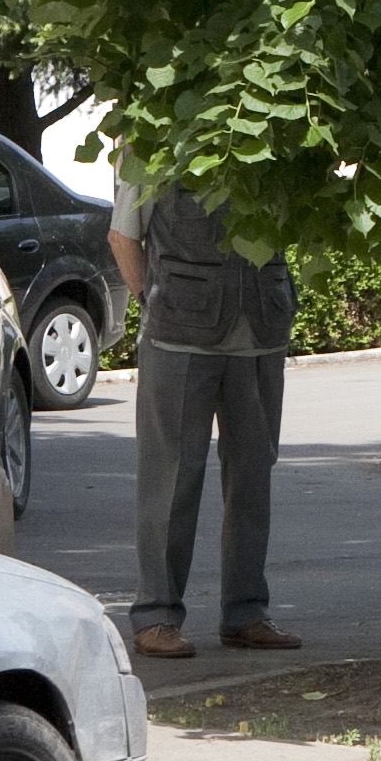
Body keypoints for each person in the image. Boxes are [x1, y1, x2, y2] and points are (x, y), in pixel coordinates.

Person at [113, 172, 303, 659]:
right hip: (177, 337)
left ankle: (247, 613)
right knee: (170, 479)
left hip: (261, 331)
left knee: (253, 478)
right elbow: (122, 237)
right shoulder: (153, 141)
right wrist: (152, 302)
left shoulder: (283, 143)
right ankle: (155, 615)